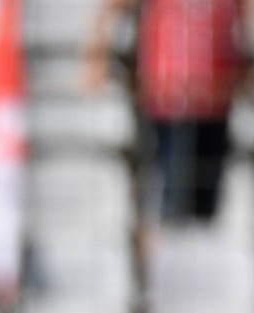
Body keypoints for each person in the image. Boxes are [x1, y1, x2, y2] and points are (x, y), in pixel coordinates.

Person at [82, 0, 253, 226]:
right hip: (166, 100)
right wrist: (96, 55)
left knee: (205, 203)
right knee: (169, 199)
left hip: (215, 98)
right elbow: (114, 7)